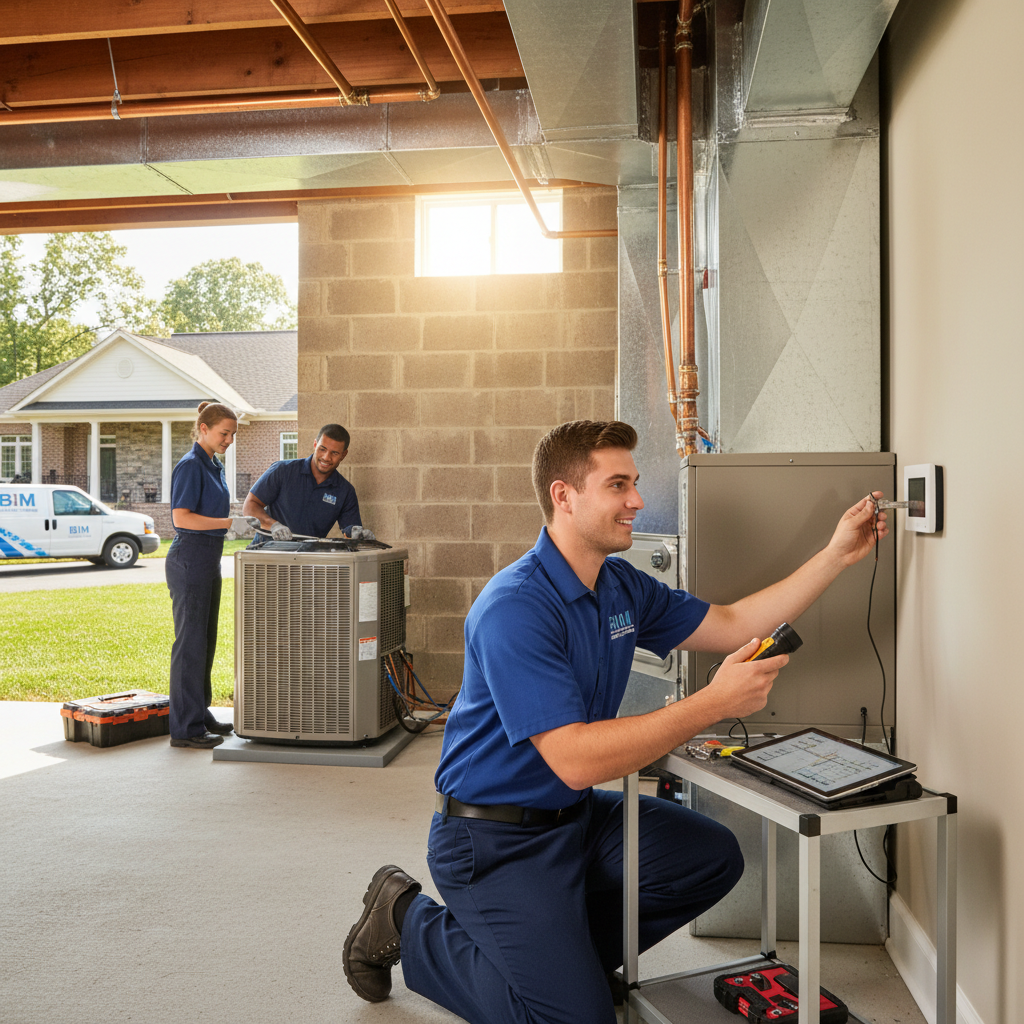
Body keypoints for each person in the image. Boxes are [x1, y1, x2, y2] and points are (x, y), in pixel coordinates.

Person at [341, 419, 890, 1023]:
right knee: (576, 1019)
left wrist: (836, 554)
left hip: (575, 821)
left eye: (633, 484)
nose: (637, 499)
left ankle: (557, 960)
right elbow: (575, 759)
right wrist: (712, 702)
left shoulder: (619, 584)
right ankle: (410, 921)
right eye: (618, 485)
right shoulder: (514, 608)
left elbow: (732, 624)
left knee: (711, 858)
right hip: (492, 841)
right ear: (564, 495)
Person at [166, 401, 253, 750]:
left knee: (205, 642)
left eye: (232, 434)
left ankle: (200, 714)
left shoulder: (213, 465)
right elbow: (181, 518)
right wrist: (230, 523)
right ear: (203, 429)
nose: (229, 440)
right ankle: (185, 728)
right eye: (223, 433)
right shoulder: (190, 466)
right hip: (189, 560)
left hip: (208, 560)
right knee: (189, 646)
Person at [242, 424, 372, 545]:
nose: (326, 457)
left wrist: (358, 534)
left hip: (307, 560)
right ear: (315, 444)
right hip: (267, 552)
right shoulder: (282, 471)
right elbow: (250, 505)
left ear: (343, 455)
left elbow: (349, 531)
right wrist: (273, 525)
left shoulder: (345, 491)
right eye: (322, 449)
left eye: (335, 453)